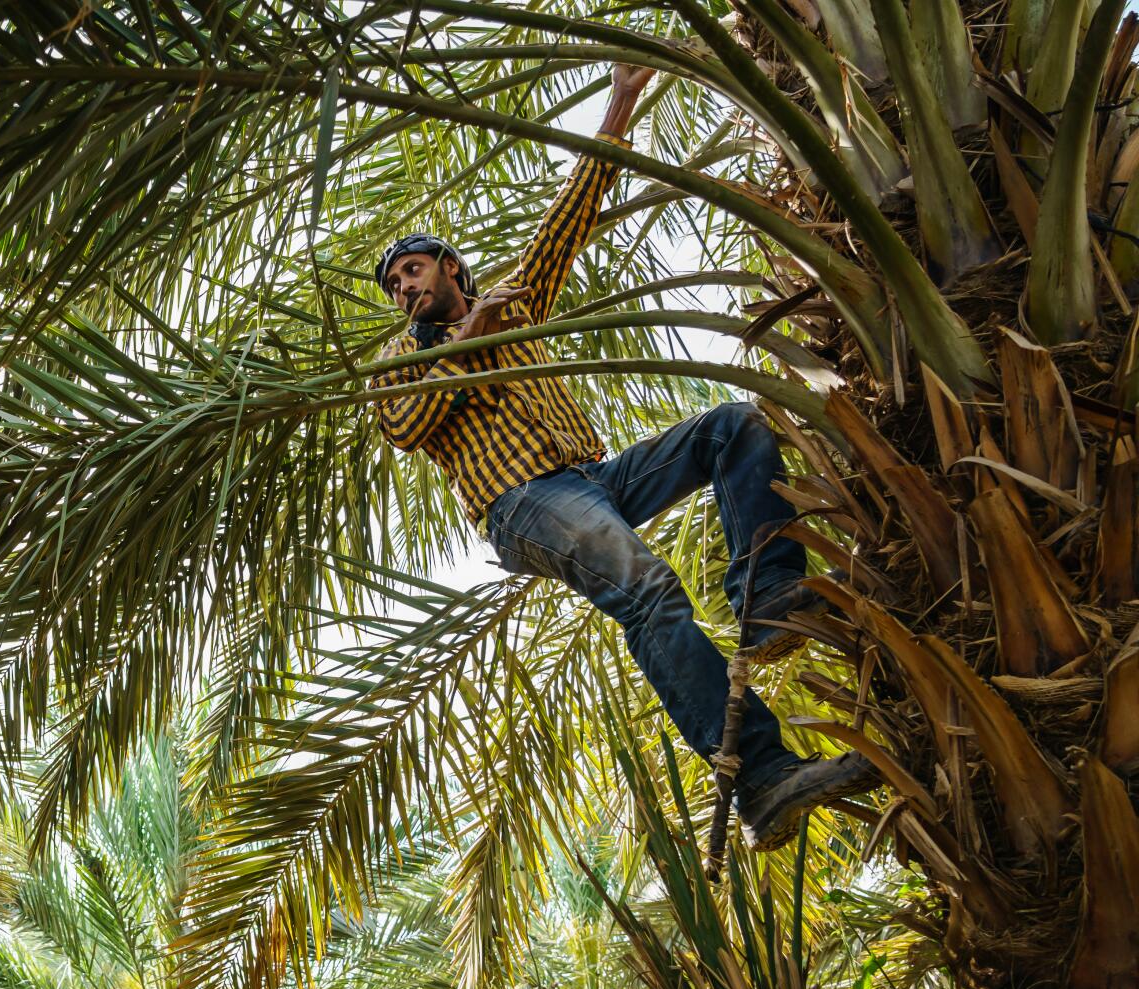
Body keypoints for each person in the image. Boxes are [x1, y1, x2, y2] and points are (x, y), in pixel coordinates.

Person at [366, 62, 880, 851]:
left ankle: (770, 593)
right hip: (523, 505)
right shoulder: (400, 359)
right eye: (394, 283)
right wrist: (469, 340)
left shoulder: (513, 301)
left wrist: (623, 98)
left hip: (594, 478)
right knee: (645, 588)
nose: (404, 288)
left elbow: (566, 219)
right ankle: (765, 777)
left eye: (413, 269)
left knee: (733, 426)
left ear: (452, 268)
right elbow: (409, 424)